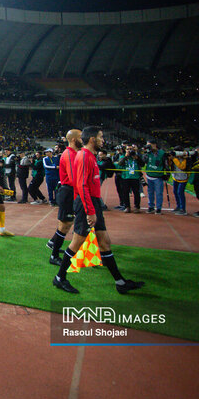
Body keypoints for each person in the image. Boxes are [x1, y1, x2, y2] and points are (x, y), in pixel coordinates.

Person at [53, 126, 144, 295]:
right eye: (101, 137)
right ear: (93, 139)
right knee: (77, 242)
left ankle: (120, 282)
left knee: (104, 242)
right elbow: (81, 185)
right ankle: (59, 278)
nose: (103, 140)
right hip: (86, 204)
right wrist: (90, 210)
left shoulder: (89, 156)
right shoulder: (83, 156)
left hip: (92, 203)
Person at [46, 129, 82, 266]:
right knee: (65, 225)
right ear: (73, 139)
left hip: (70, 191)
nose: (83, 139)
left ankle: (54, 247)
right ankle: (54, 255)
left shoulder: (72, 153)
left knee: (66, 224)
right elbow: (74, 178)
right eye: (80, 137)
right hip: (69, 192)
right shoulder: (70, 154)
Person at [143, 140, 167, 214]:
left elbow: (165, 163)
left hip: (158, 176)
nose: (148, 147)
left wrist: (167, 174)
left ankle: (158, 208)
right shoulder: (148, 153)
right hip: (149, 175)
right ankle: (151, 207)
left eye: (149, 145)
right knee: (150, 192)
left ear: (154, 145)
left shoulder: (162, 153)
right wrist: (145, 153)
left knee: (159, 193)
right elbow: (144, 161)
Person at [117, 146, 143, 213]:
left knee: (136, 193)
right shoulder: (123, 157)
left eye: (130, 149)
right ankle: (127, 206)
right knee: (125, 193)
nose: (129, 150)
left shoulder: (136, 156)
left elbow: (143, 164)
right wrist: (125, 157)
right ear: (125, 150)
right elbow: (119, 164)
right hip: (125, 177)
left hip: (135, 177)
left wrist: (137, 158)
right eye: (128, 149)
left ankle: (137, 207)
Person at [169, 149, 189, 215]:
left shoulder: (184, 159)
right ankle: (178, 206)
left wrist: (174, 159)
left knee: (180, 192)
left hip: (183, 178)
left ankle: (183, 209)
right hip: (176, 178)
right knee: (175, 192)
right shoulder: (174, 159)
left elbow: (182, 167)